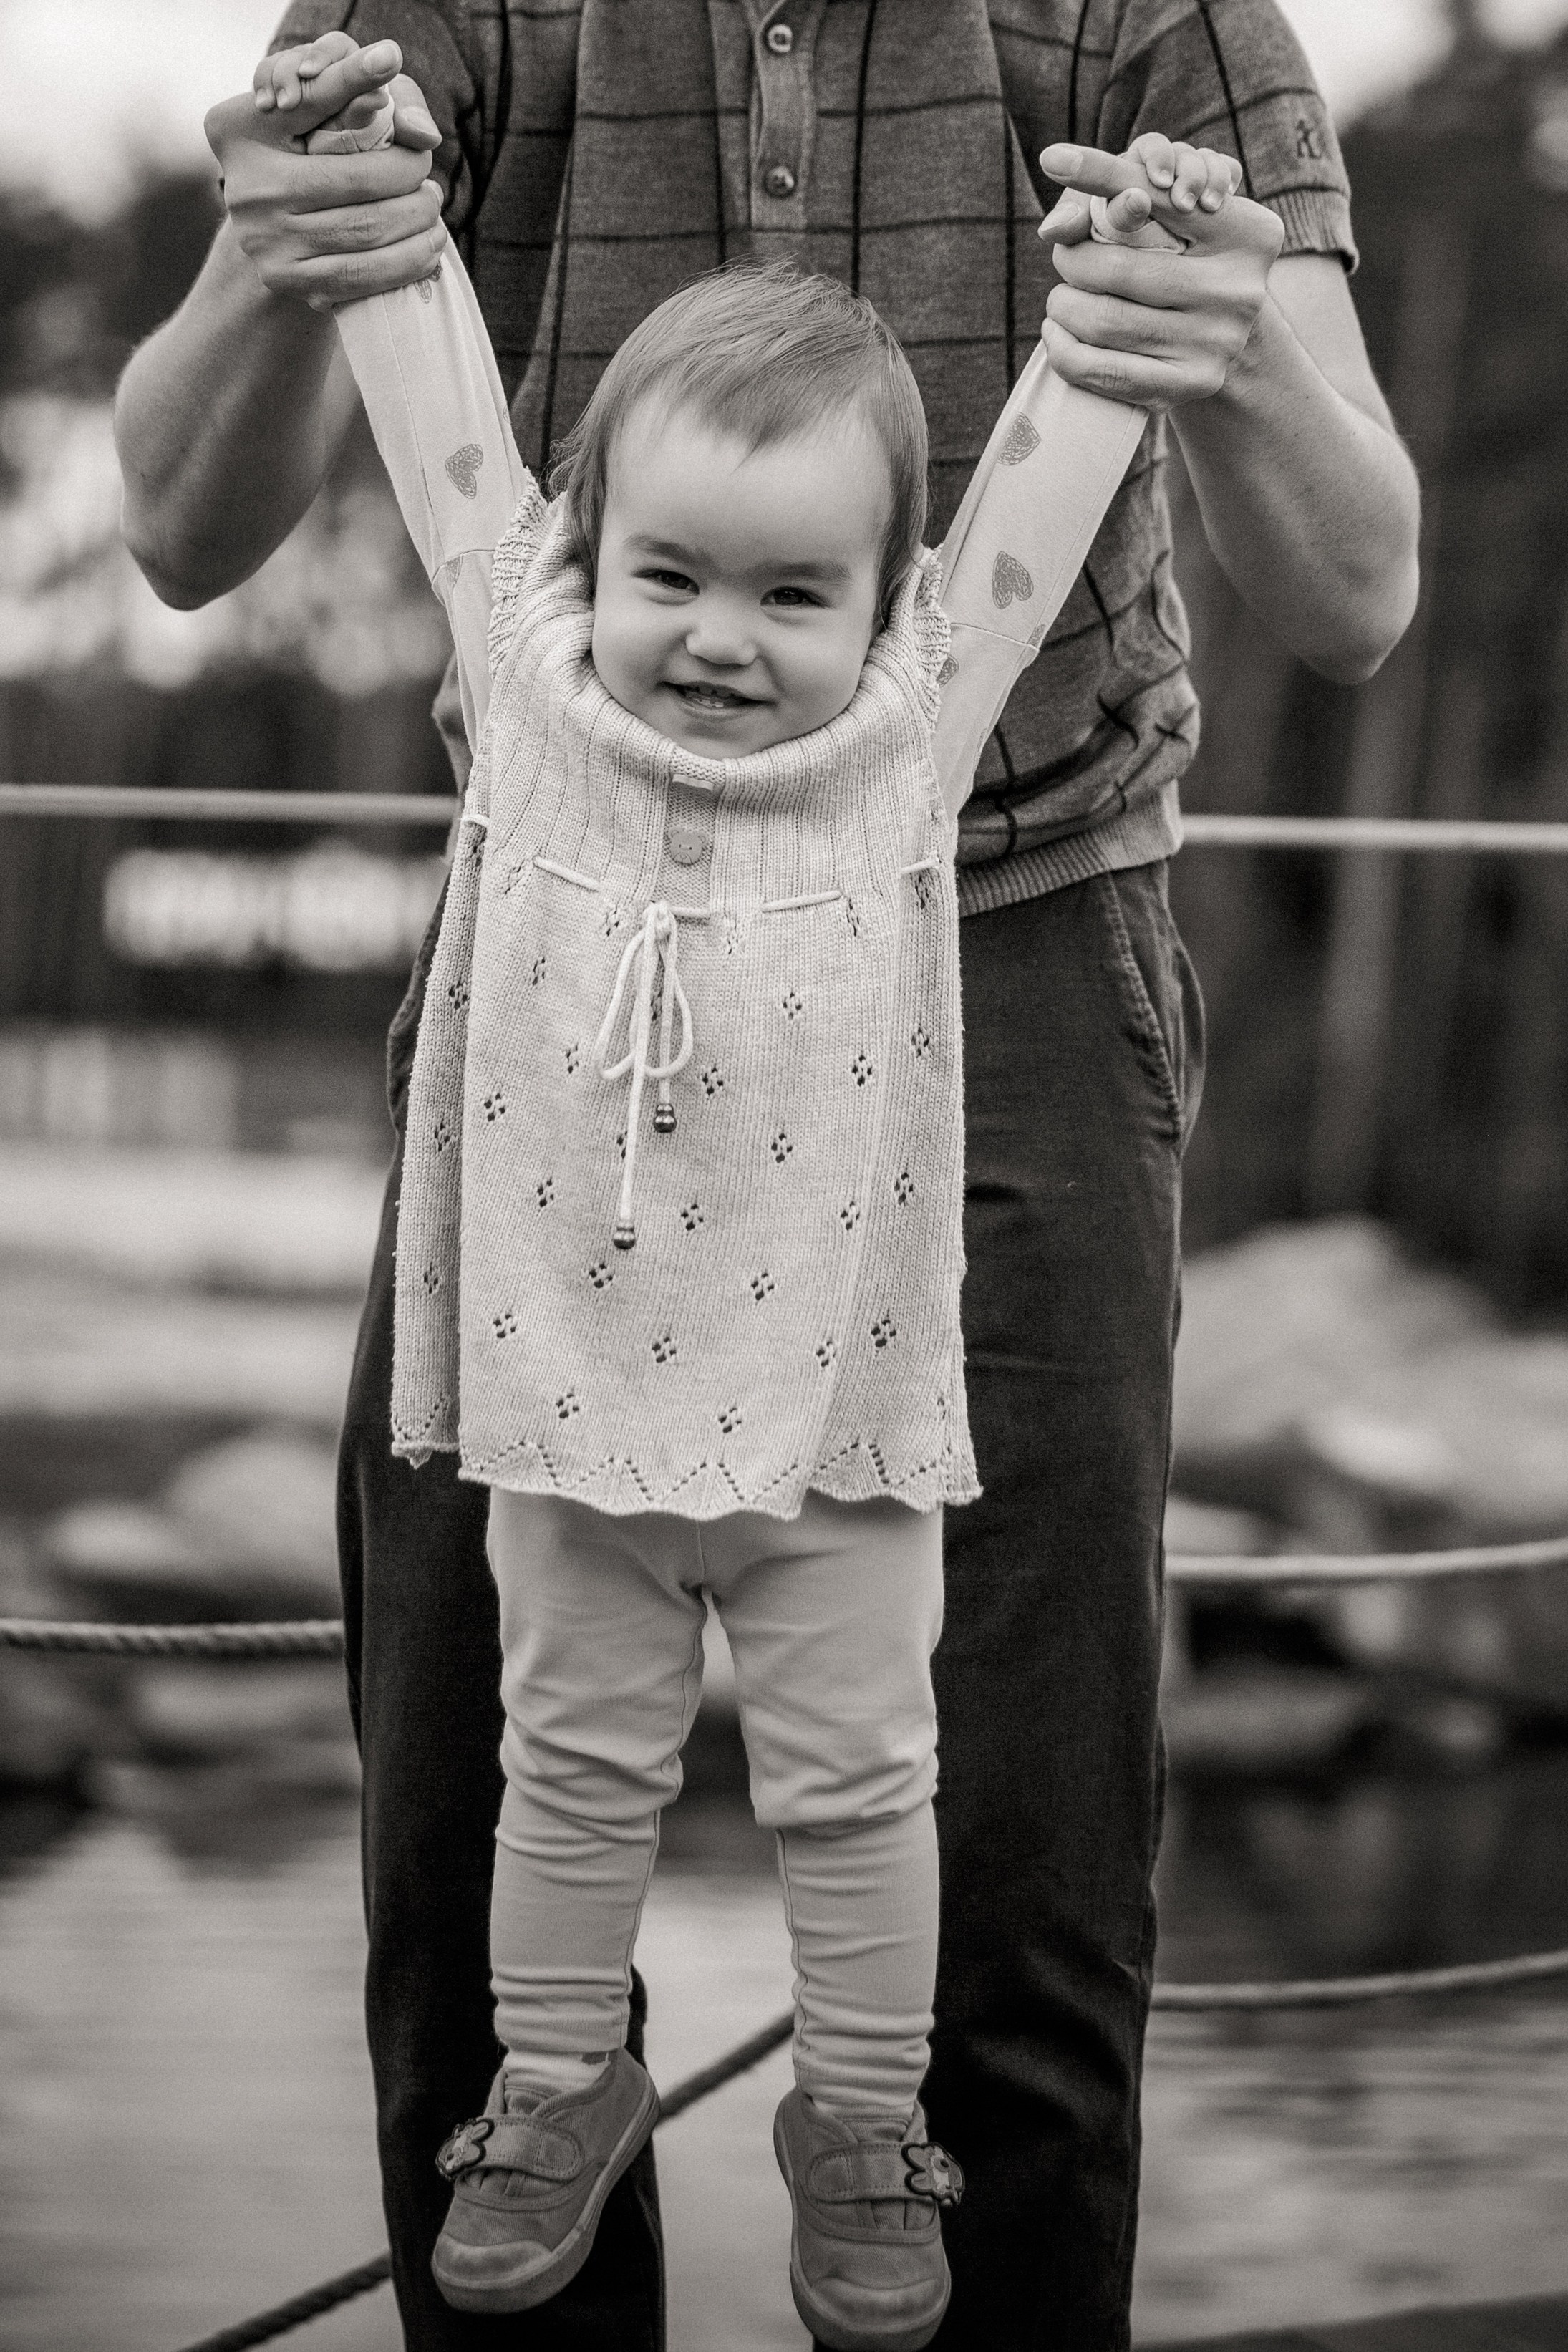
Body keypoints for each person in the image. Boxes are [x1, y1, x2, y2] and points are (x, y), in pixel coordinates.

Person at [115, 8, 1418, 2347]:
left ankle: (893, 2154)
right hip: (556, 961)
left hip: (1005, 960)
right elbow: (184, 531)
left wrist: (1202, 344)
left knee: (1009, 1881)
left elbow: (1359, 590)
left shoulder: (1161, 14)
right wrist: (280, 244)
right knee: (470, 1834)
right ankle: (548, 2124)